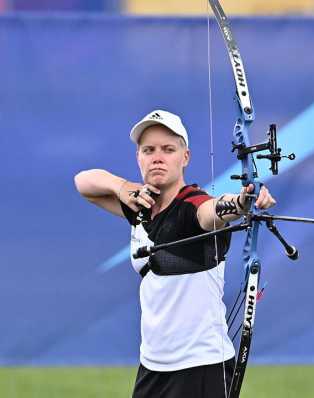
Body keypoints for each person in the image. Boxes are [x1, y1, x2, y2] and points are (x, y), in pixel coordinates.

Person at [74, 109, 275, 398]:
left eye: (168, 149)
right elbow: (84, 183)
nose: (157, 156)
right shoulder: (140, 207)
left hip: (201, 367)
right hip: (153, 366)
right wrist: (123, 188)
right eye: (149, 150)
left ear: (186, 157)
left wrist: (244, 200)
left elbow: (216, 209)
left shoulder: (193, 207)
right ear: (138, 158)